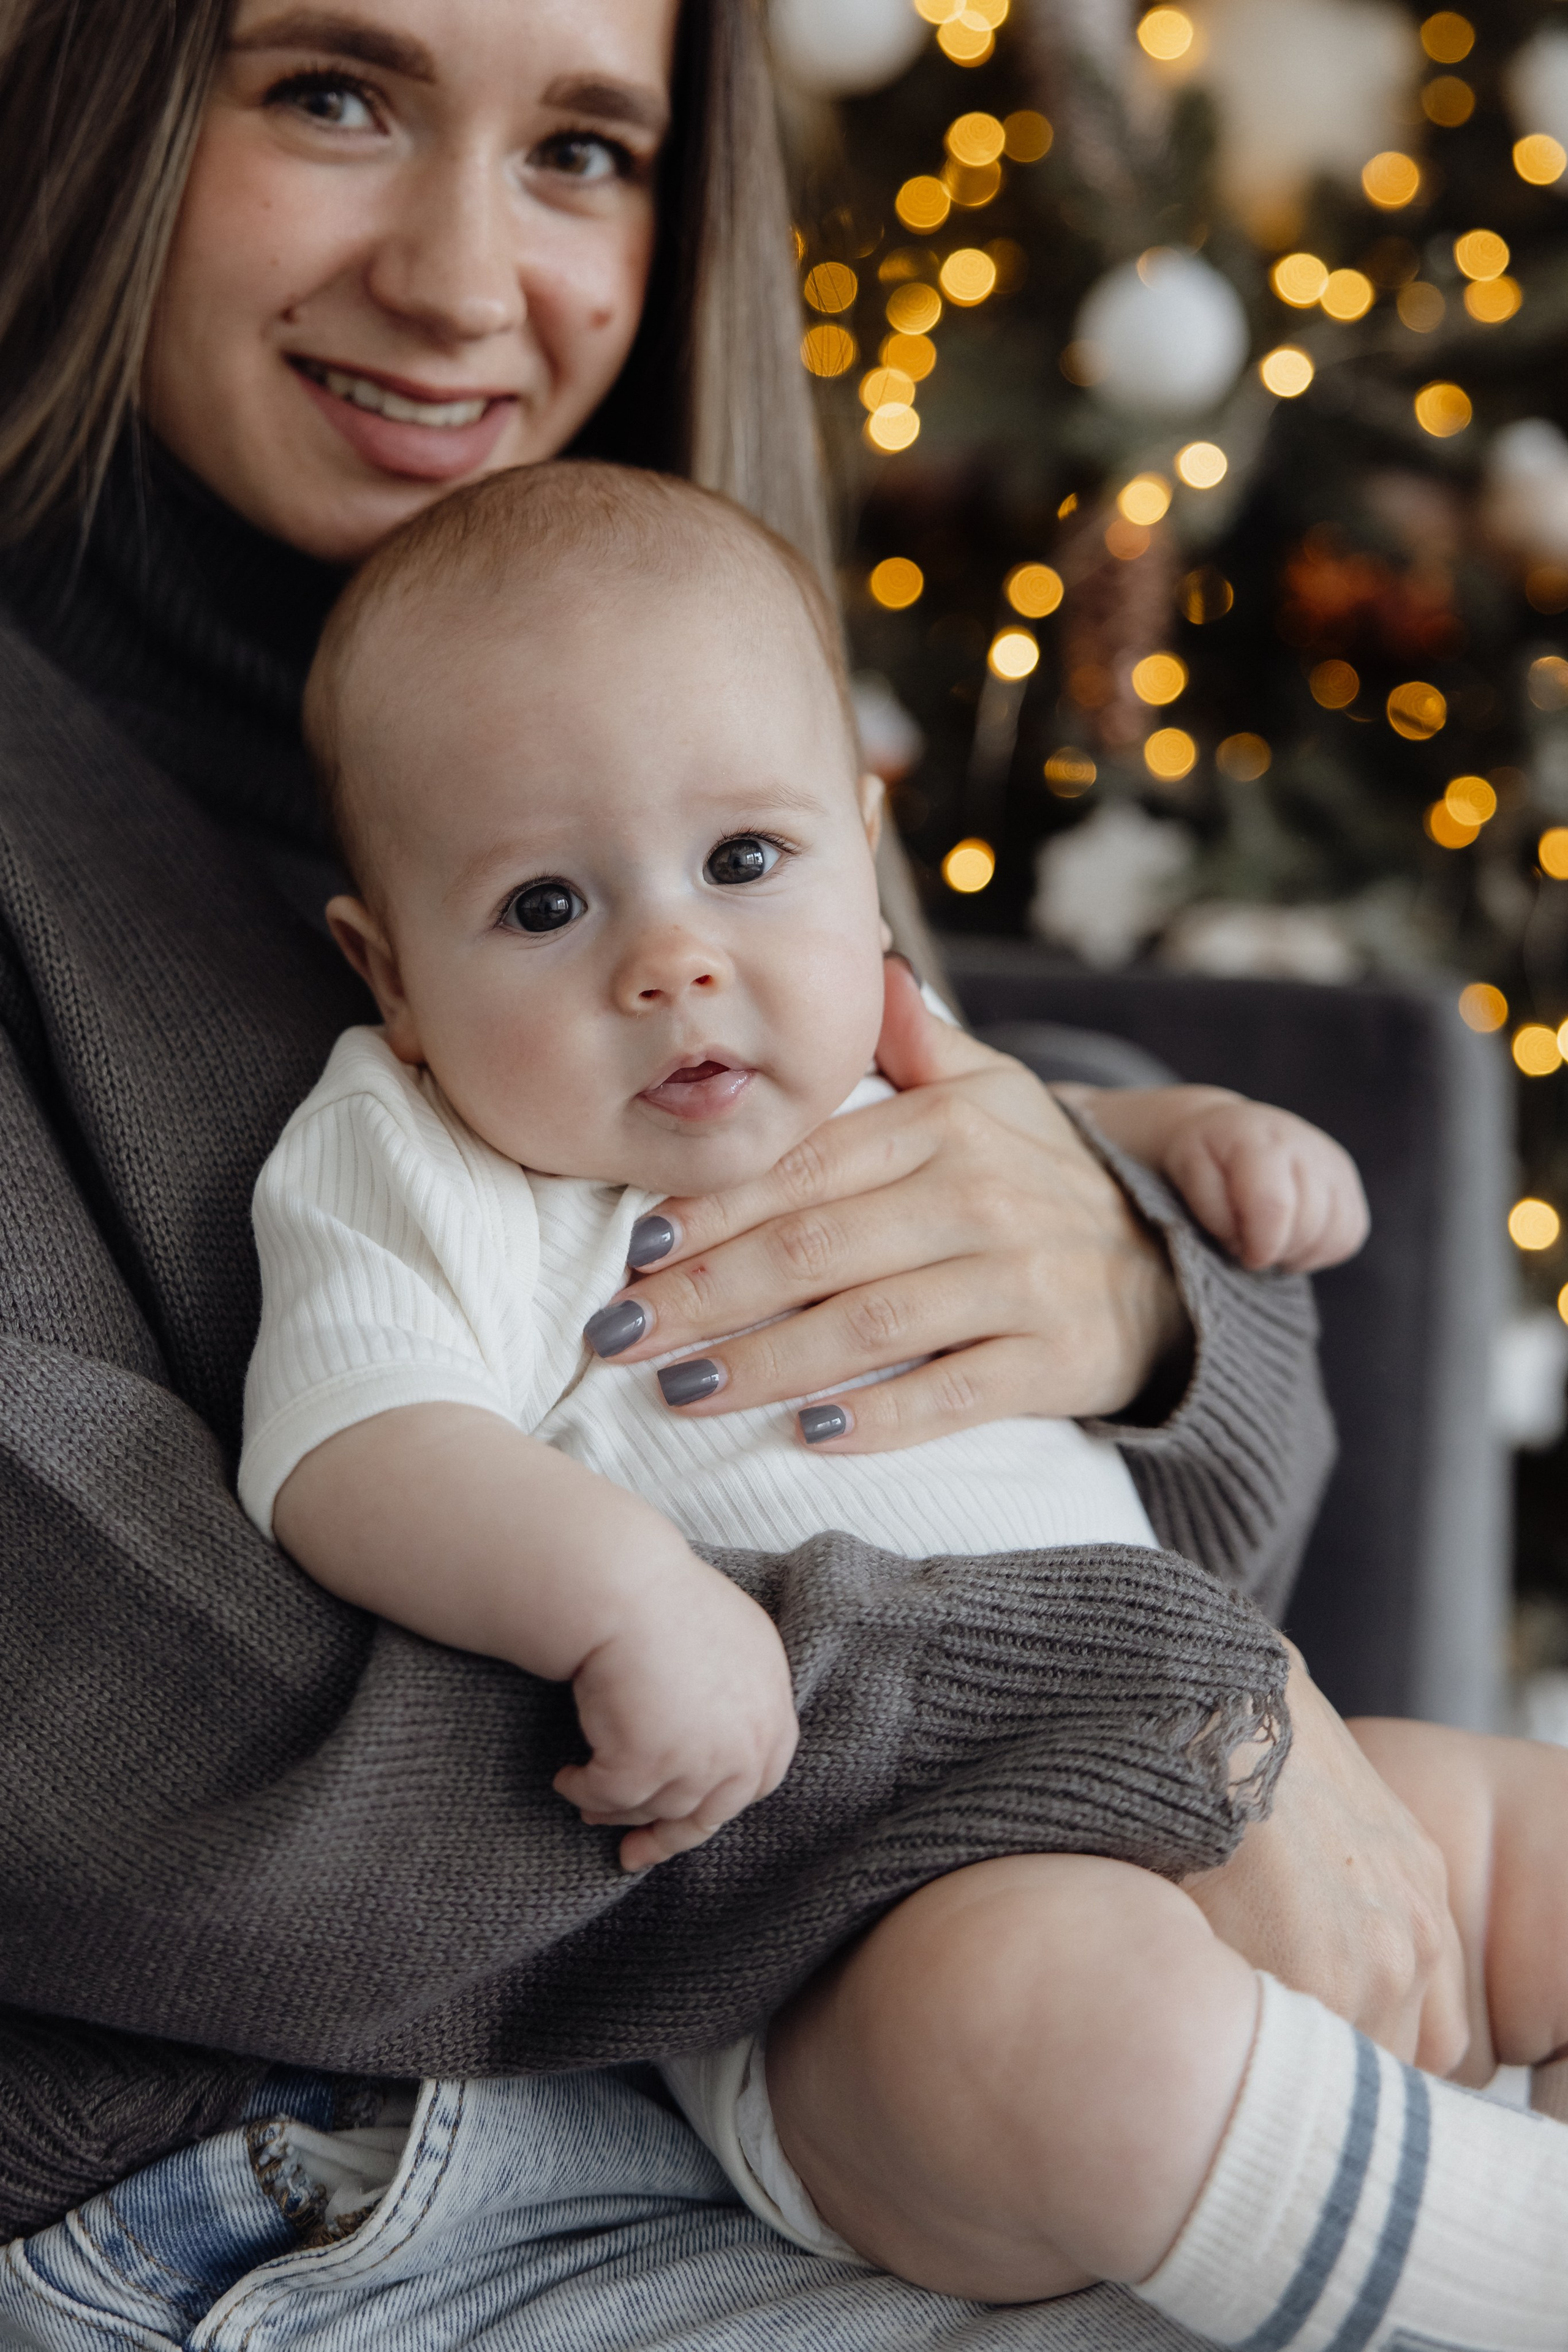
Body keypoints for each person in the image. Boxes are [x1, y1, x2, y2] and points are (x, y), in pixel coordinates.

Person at [0, 0, 1469, 2342]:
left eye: (585, 144)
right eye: (333, 93)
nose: (470, 283)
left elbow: (1193, 1445)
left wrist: (1146, 1287)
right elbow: (154, 1753)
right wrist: (1134, 1703)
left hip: (839, 1982)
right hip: (287, 2174)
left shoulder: (647, 714)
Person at [236, 456, 1568, 2349]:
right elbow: (349, 1439)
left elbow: (1076, 1138)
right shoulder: (429, 1155)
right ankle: (1511, 2268)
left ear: (864, 854)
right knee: (1068, 2033)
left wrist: (1187, 1149)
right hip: (852, 1942)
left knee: (1521, 1831)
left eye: (747, 862)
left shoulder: (884, 1070)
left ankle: (1420, 2169)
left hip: (1215, 1785)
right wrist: (626, 1601)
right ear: (396, 977)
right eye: (544, 904)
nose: (672, 958)